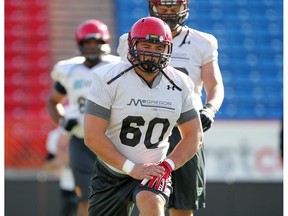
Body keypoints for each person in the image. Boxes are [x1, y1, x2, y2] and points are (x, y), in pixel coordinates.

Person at [84, 16, 203, 216]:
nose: (152, 54)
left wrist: (168, 165)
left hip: (154, 170)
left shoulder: (180, 83)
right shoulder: (108, 78)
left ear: (168, 50)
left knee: (151, 201)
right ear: (132, 46)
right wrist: (132, 168)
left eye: (159, 48)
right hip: (112, 171)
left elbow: (194, 135)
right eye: (146, 46)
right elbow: (93, 136)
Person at [117, 1, 225, 216]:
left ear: (183, 8)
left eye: (173, 10)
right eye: (163, 10)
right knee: (137, 195)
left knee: (183, 203)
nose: (168, 15)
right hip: (144, 125)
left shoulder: (202, 42)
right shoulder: (130, 38)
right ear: (152, 8)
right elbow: (123, 79)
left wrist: (210, 109)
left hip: (183, 127)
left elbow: (214, 84)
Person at [46, 19, 120, 216]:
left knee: (117, 198)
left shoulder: (118, 67)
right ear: (79, 45)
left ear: (104, 43)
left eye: (95, 42)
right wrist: (62, 121)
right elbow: (53, 102)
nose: (91, 47)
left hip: (112, 139)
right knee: (85, 200)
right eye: (87, 43)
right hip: (81, 141)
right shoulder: (69, 70)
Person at [44, 125, 77, 216]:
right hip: (66, 185)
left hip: (85, 183)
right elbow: (47, 166)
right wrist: (63, 160)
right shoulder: (55, 135)